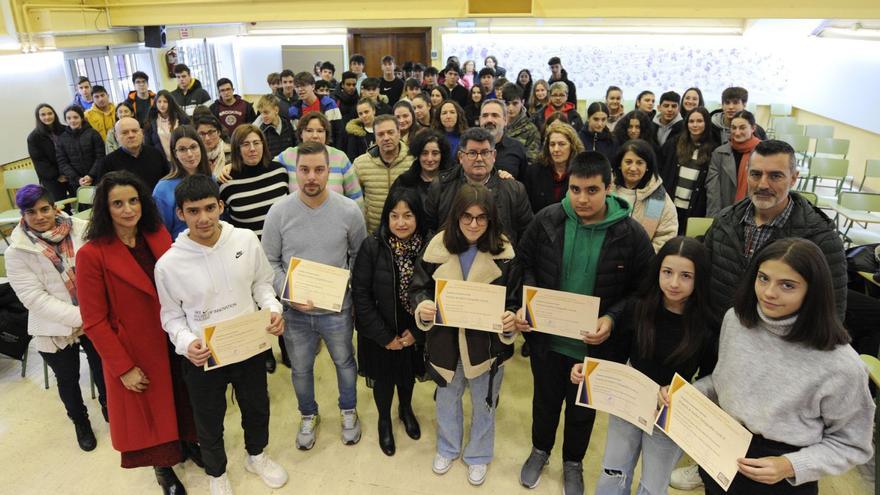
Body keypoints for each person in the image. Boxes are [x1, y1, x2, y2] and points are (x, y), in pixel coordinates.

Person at [681, 238, 873, 494]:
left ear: (812, 291)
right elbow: (723, 382)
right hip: (722, 447)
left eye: (787, 285)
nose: (769, 292)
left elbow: (853, 444)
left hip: (781, 470)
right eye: (763, 278)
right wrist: (689, 393)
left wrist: (790, 465)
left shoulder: (841, 364)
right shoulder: (736, 321)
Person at [515, 151, 654, 495]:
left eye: (592, 190)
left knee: (582, 410)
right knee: (545, 401)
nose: (581, 199)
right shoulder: (547, 219)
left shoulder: (631, 234)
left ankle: (573, 461)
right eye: (575, 190)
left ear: (609, 187)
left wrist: (612, 317)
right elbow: (524, 263)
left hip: (596, 346)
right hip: (547, 339)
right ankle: (540, 450)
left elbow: (643, 291)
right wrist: (527, 303)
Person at [155, 174, 288, 495]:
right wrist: (188, 343)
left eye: (209, 208)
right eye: (193, 211)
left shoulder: (244, 240)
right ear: (180, 214)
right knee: (209, 420)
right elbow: (171, 316)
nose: (203, 218)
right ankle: (217, 473)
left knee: (257, 407)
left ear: (220, 206)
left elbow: (261, 283)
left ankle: (256, 456)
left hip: (249, 345)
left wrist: (272, 309)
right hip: (204, 355)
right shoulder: (168, 264)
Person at [76, 171, 198, 495]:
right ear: (105, 208)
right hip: (135, 347)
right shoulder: (91, 255)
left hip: (173, 337)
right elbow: (94, 322)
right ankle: (164, 468)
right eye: (118, 203)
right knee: (151, 414)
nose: (128, 209)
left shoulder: (157, 234)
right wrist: (123, 367)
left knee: (183, 397)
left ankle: (190, 443)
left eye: (133, 201)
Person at [573, 236, 717, 495]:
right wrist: (590, 371)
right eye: (667, 272)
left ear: (699, 279)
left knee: (654, 483)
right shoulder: (638, 307)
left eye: (686, 276)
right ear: (658, 271)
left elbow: (710, 377)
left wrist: (683, 393)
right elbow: (615, 353)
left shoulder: (707, 325)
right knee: (613, 468)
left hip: (670, 412)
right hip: (628, 401)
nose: (674, 283)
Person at [409, 183, 522, 486]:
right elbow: (418, 288)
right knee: (447, 397)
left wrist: (511, 319)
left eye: (481, 218)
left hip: (486, 346)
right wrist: (424, 306)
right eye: (467, 217)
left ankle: (479, 454)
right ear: (455, 217)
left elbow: (514, 299)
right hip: (445, 342)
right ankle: (448, 447)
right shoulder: (436, 248)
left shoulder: (506, 254)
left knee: (485, 401)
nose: (474, 224)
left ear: (491, 219)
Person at [262, 141, 368, 451]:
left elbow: (359, 256)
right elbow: (269, 261)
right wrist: (288, 293)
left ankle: (348, 411)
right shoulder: (279, 212)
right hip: (294, 312)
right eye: (305, 170)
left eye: (319, 170)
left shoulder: (349, 210)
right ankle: (308, 415)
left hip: (337, 310)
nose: (312, 177)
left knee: (345, 362)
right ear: (296, 172)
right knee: (301, 368)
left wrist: (342, 288)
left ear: (328, 171)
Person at [5, 185, 108, 452]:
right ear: (23, 215)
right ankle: (80, 422)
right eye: (31, 212)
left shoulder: (81, 228)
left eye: (44, 209)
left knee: (104, 368)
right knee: (68, 379)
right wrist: (84, 316)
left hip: (94, 316)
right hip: (53, 325)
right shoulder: (17, 250)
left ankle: (112, 409)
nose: (40, 216)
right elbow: (34, 299)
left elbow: (102, 268)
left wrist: (94, 313)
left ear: (55, 207)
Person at [351, 188, 428, 456]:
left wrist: (417, 333)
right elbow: (360, 294)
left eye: (408, 215)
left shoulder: (429, 247)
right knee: (383, 381)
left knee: (407, 377)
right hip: (380, 331)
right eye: (394, 216)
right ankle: (384, 419)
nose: (401, 222)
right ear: (386, 218)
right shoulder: (372, 245)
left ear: (418, 217)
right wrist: (384, 337)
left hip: (412, 327)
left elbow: (436, 293)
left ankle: (405, 409)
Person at [424, 127, 534, 246]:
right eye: (472, 153)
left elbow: (527, 236)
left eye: (485, 152)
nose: (479, 159)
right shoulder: (441, 186)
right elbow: (428, 230)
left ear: (494, 155)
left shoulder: (514, 190)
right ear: (461, 157)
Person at [277, 112, 364, 208]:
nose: (315, 135)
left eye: (320, 131)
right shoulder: (288, 156)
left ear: (326, 134)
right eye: (309, 130)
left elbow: (355, 196)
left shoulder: (340, 157)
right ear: (301, 133)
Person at [218, 124, 289, 236]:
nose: (252, 149)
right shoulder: (226, 181)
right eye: (246, 144)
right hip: (248, 249)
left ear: (263, 145)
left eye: (256, 143)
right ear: (237, 149)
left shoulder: (280, 171)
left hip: (283, 247)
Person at [612, 139, 678, 252]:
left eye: (639, 163)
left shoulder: (659, 198)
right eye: (628, 162)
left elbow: (666, 235)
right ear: (619, 164)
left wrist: (645, 259)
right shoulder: (606, 190)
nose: (633, 168)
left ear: (648, 166)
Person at [660, 107, 718, 232]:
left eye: (699, 121)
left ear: (706, 123)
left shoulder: (713, 149)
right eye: (691, 121)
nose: (695, 125)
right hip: (670, 206)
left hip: (694, 209)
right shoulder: (674, 143)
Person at [353, 114, 412, 234]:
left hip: (407, 230)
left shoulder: (413, 160)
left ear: (399, 133)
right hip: (374, 233)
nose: (386, 138)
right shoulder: (360, 164)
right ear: (375, 137)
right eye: (380, 134)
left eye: (390, 132)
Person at [153, 125, 214, 240]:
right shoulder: (163, 189)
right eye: (182, 149)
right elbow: (161, 232)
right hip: (182, 249)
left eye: (193, 147)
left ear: (201, 147)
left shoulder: (211, 178)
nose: (190, 154)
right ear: (174, 153)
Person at [706, 110, 761, 217]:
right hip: (725, 214)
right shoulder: (719, 153)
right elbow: (713, 191)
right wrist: (714, 218)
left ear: (753, 128)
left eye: (742, 127)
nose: (737, 132)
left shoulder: (764, 153)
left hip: (755, 213)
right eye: (733, 127)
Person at [523, 122, 585, 214]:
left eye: (561, 144)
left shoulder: (583, 172)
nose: (556, 149)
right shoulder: (534, 172)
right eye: (552, 144)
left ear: (572, 146)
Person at [101, 117, 169, 191]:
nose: (131, 135)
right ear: (116, 136)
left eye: (135, 131)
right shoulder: (107, 163)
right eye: (125, 132)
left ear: (142, 133)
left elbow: (167, 183)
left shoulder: (156, 154)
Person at [391, 128, 453, 206]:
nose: (430, 159)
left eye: (435, 153)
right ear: (418, 154)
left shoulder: (452, 182)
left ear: (442, 155)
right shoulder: (404, 182)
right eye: (424, 153)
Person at [28, 103, 74, 202]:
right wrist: (58, 175)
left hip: (71, 173)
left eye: (50, 113)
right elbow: (40, 162)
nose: (47, 117)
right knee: (60, 207)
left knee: (80, 203)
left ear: (54, 114)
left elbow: (73, 152)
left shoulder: (65, 129)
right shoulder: (33, 138)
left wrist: (67, 172)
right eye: (43, 115)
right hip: (52, 179)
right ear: (38, 117)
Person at [56, 105, 104, 190]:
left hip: (97, 178)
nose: (72, 121)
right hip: (76, 183)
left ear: (81, 118)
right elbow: (63, 162)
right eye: (69, 118)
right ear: (66, 120)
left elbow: (100, 157)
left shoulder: (93, 134)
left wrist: (90, 175)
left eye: (75, 117)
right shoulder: (62, 139)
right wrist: (77, 179)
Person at [480, 99, 529, 180]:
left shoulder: (517, 148)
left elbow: (525, 183)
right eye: (485, 116)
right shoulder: (468, 147)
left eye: (495, 115)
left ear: (505, 120)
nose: (489, 120)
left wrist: (512, 185)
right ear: (480, 119)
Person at [289, 71, 343, 138]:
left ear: (313, 86)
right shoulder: (293, 111)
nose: (300, 89)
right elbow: (297, 135)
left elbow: (338, 132)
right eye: (297, 86)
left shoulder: (329, 104)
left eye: (303, 85)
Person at [144, 90, 189, 161]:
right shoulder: (151, 121)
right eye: (159, 102)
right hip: (162, 161)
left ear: (170, 103)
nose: (162, 105)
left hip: (182, 158)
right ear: (155, 103)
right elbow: (148, 145)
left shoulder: (181, 118)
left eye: (165, 101)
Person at [501, 84, 541, 163]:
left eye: (515, 103)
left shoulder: (531, 130)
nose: (510, 108)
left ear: (522, 102)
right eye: (507, 104)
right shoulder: (497, 124)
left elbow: (531, 161)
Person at [254, 94, 296, 159]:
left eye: (266, 112)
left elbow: (295, 146)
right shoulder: (260, 131)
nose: (263, 116)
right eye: (261, 113)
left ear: (276, 110)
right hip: (271, 168)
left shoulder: (288, 125)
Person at [194, 113, 232, 177]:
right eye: (202, 134)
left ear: (219, 132)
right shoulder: (194, 157)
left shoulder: (231, 152)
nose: (207, 138)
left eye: (211, 132)